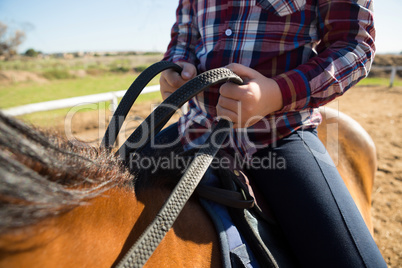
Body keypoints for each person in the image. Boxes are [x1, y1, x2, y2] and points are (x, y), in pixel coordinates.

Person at [156, 0, 387, 267]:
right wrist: (175, 69)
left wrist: (275, 93)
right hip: (195, 128)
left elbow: (354, 46)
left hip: (280, 132)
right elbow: (183, 38)